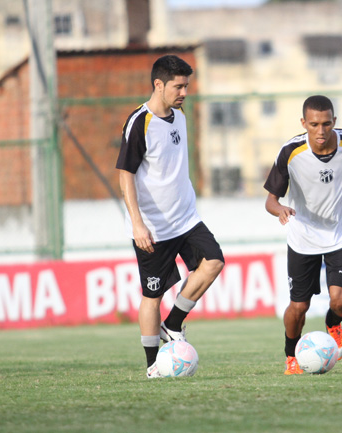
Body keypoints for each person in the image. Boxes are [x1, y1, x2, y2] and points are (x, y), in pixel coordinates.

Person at [116, 54, 225, 378]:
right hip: (153, 227)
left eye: (187, 86)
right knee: (153, 295)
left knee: (214, 262)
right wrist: (137, 224)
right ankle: (152, 365)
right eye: (178, 86)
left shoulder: (179, 117)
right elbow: (125, 175)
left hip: (186, 218)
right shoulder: (140, 121)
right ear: (158, 84)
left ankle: (173, 323)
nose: (184, 93)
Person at [264, 95, 342, 375]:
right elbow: (270, 200)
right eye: (314, 124)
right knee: (298, 306)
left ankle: (333, 323)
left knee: (341, 301)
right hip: (303, 236)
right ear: (304, 123)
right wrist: (279, 209)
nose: (321, 131)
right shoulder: (291, 152)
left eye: (327, 124)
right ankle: (291, 355)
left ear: (335, 122)